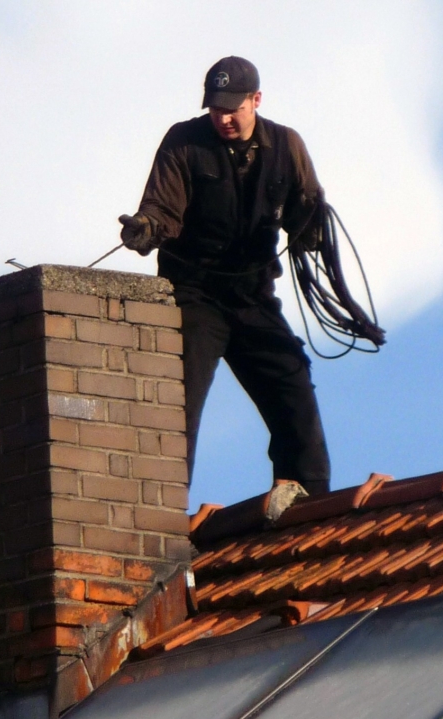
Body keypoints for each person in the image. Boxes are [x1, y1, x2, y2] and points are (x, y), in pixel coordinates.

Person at [119, 56, 330, 496]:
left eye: (234, 107)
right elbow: (162, 211)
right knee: (178, 407)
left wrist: (312, 227)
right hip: (194, 297)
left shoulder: (287, 146)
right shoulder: (183, 142)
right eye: (216, 108)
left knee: (293, 386)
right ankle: (164, 519)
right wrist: (145, 229)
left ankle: (309, 507)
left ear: (256, 100)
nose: (224, 117)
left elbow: (307, 219)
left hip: (253, 297)